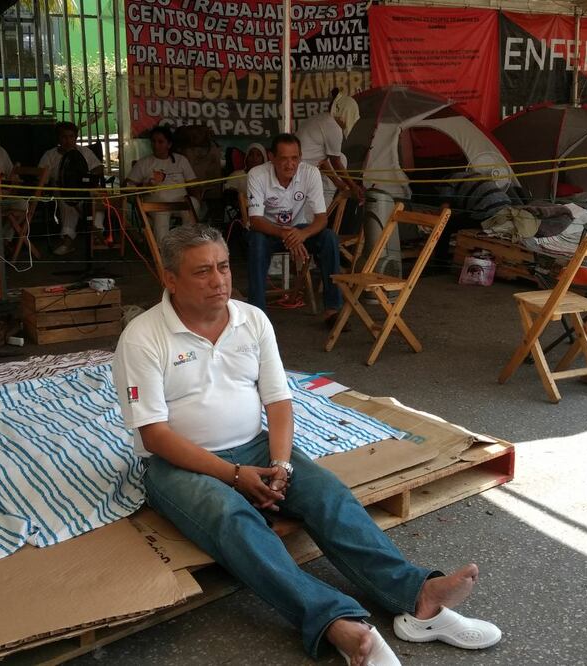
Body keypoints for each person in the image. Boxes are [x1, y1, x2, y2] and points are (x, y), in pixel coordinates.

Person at [113, 224, 501, 666]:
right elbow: (154, 434)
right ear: (170, 279)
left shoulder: (251, 319)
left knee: (327, 493)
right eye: (202, 272)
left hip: (254, 447)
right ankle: (334, 622)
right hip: (176, 464)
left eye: (223, 266)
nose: (219, 280)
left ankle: (417, 597)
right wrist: (234, 477)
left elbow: (278, 399)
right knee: (233, 517)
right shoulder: (143, 336)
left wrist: (280, 463)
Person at [246, 134, 343, 326]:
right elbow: (256, 220)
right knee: (255, 242)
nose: (290, 164)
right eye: (284, 158)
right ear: (271, 157)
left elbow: (321, 218)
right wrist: (286, 234)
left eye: (295, 158)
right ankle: (258, 316)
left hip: (299, 230)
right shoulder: (257, 175)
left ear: (300, 157)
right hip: (269, 231)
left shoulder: (310, 172)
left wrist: (302, 234)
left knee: (329, 238)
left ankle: (333, 309)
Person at [37, 121, 105, 256]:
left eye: (71, 136)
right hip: (61, 190)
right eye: (64, 137)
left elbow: (98, 167)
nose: (68, 140)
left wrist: (90, 176)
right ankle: (67, 243)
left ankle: (97, 232)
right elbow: (41, 176)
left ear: (76, 137)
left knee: (98, 200)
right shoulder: (50, 155)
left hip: (83, 189)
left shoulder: (84, 152)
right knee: (67, 204)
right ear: (58, 138)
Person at [126, 126, 200, 244]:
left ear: (169, 144)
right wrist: (143, 187)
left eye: (160, 142)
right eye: (153, 142)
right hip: (156, 203)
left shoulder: (181, 160)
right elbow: (128, 185)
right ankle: (162, 251)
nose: (156, 145)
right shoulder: (144, 163)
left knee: (193, 204)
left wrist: (197, 195)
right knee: (162, 213)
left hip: (180, 201)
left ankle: (187, 244)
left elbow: (194, 183)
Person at [297, 89, 364, 206]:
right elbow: (335, 162)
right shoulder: (333, 127)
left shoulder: (321, 119)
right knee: (341, 158)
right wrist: (353, 186)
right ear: (347, 114)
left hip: (299, 171)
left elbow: (322, 161)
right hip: (301, 174)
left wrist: (339, 183)